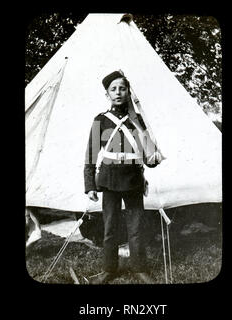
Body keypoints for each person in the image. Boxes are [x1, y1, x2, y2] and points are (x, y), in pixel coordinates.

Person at [84, 71, 162, 284]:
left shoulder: (136, 120)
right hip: (108, 181)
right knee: (110, 228)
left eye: (122, 88)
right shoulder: (100, 120)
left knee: (136, 228)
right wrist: (90, 184)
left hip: (133, 180)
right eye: (113, 89)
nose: (118, 93)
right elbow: (91, 155)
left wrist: (153, 158)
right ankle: (109, 269)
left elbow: (147, 156)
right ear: (107, 93)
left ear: (128, 92)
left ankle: (139, 269)